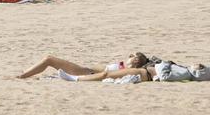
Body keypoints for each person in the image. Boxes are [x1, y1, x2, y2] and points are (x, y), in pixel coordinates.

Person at [17, 52, 149, 79]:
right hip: (85, 71)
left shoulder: (128, 69)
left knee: (49, 59)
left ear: (136, 62)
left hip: (84, 73)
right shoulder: (125, 67)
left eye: (132, 57)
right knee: (49, 60)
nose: (130, 57)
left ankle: (22, 76)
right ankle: (24, 75)